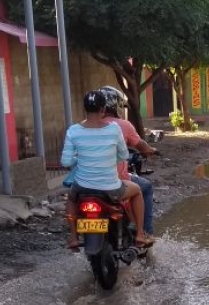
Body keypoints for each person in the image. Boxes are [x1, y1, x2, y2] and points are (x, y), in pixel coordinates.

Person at [60, 90, 152, 250]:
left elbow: (65, 161)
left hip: (82, 188)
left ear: (85, 109)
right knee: (137, 190)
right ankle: (140, 235)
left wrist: (81, 158)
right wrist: (109, 159)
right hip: (111, 188)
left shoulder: (73, 131)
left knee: (71, 199)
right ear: (103, 109)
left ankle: (74, 238)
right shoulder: (114, 129)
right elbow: (123, 155)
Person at [98, 85, 158, 236]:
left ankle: (73, 237)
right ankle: (144, 233)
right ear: (116, 106)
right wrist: (151, 151)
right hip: (114, 182)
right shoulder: (122, 125)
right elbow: (141, 146)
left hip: (86, 183)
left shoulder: (85, 125)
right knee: (144, 187)